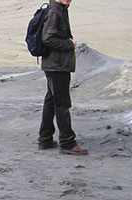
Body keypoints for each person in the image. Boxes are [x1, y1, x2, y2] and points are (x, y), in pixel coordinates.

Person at [38, 0, 88, 155]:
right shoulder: (55, 11)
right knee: (62, 104)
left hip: (54, 65)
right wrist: (69, 44)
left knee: (51, 101)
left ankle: (45, 139)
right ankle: (67, 143)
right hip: (57, 66)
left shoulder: (59, 9)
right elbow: (47, 38)